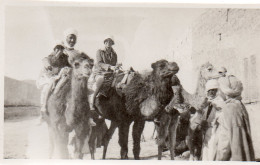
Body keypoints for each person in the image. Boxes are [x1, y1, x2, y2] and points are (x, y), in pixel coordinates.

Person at [212, 75, 255, 161]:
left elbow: (225, 144)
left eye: (220, 90)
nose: (218, 93)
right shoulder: (239, 105)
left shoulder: (229, 108)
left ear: (225, 91)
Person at [87, 36, 120, 126]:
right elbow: (100, 63)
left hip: (110, 74)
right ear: (104, 43)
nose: (108, 44)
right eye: (107, 42)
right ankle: (91, 104)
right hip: (100, 72)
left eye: (110, 42)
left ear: (112, 43)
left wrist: (116, 66)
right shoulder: (99, 52)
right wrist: (110, 67)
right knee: (99, 81)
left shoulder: (114, 54)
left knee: (119, 81)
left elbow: (114, 64)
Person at [36, 41, 71, 123]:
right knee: (48, 86)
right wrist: (48, 66)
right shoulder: (49, 58)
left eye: (61, 49)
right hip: (49, 77)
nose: (59, 50)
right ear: (54, 49)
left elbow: (69, 65)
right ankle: (43, 110)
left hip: (60, 77)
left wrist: (68, 69)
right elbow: (45, 62)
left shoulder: (65, 58)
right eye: (58, 48)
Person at [200, 79, 220, 160]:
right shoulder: (205, 102)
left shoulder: (219, 102)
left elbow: (220, 116)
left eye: (214, 90)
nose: (211, 92)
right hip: (205, 130)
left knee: (212, 151)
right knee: (205, 151)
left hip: (214, 130)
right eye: (210, 90)